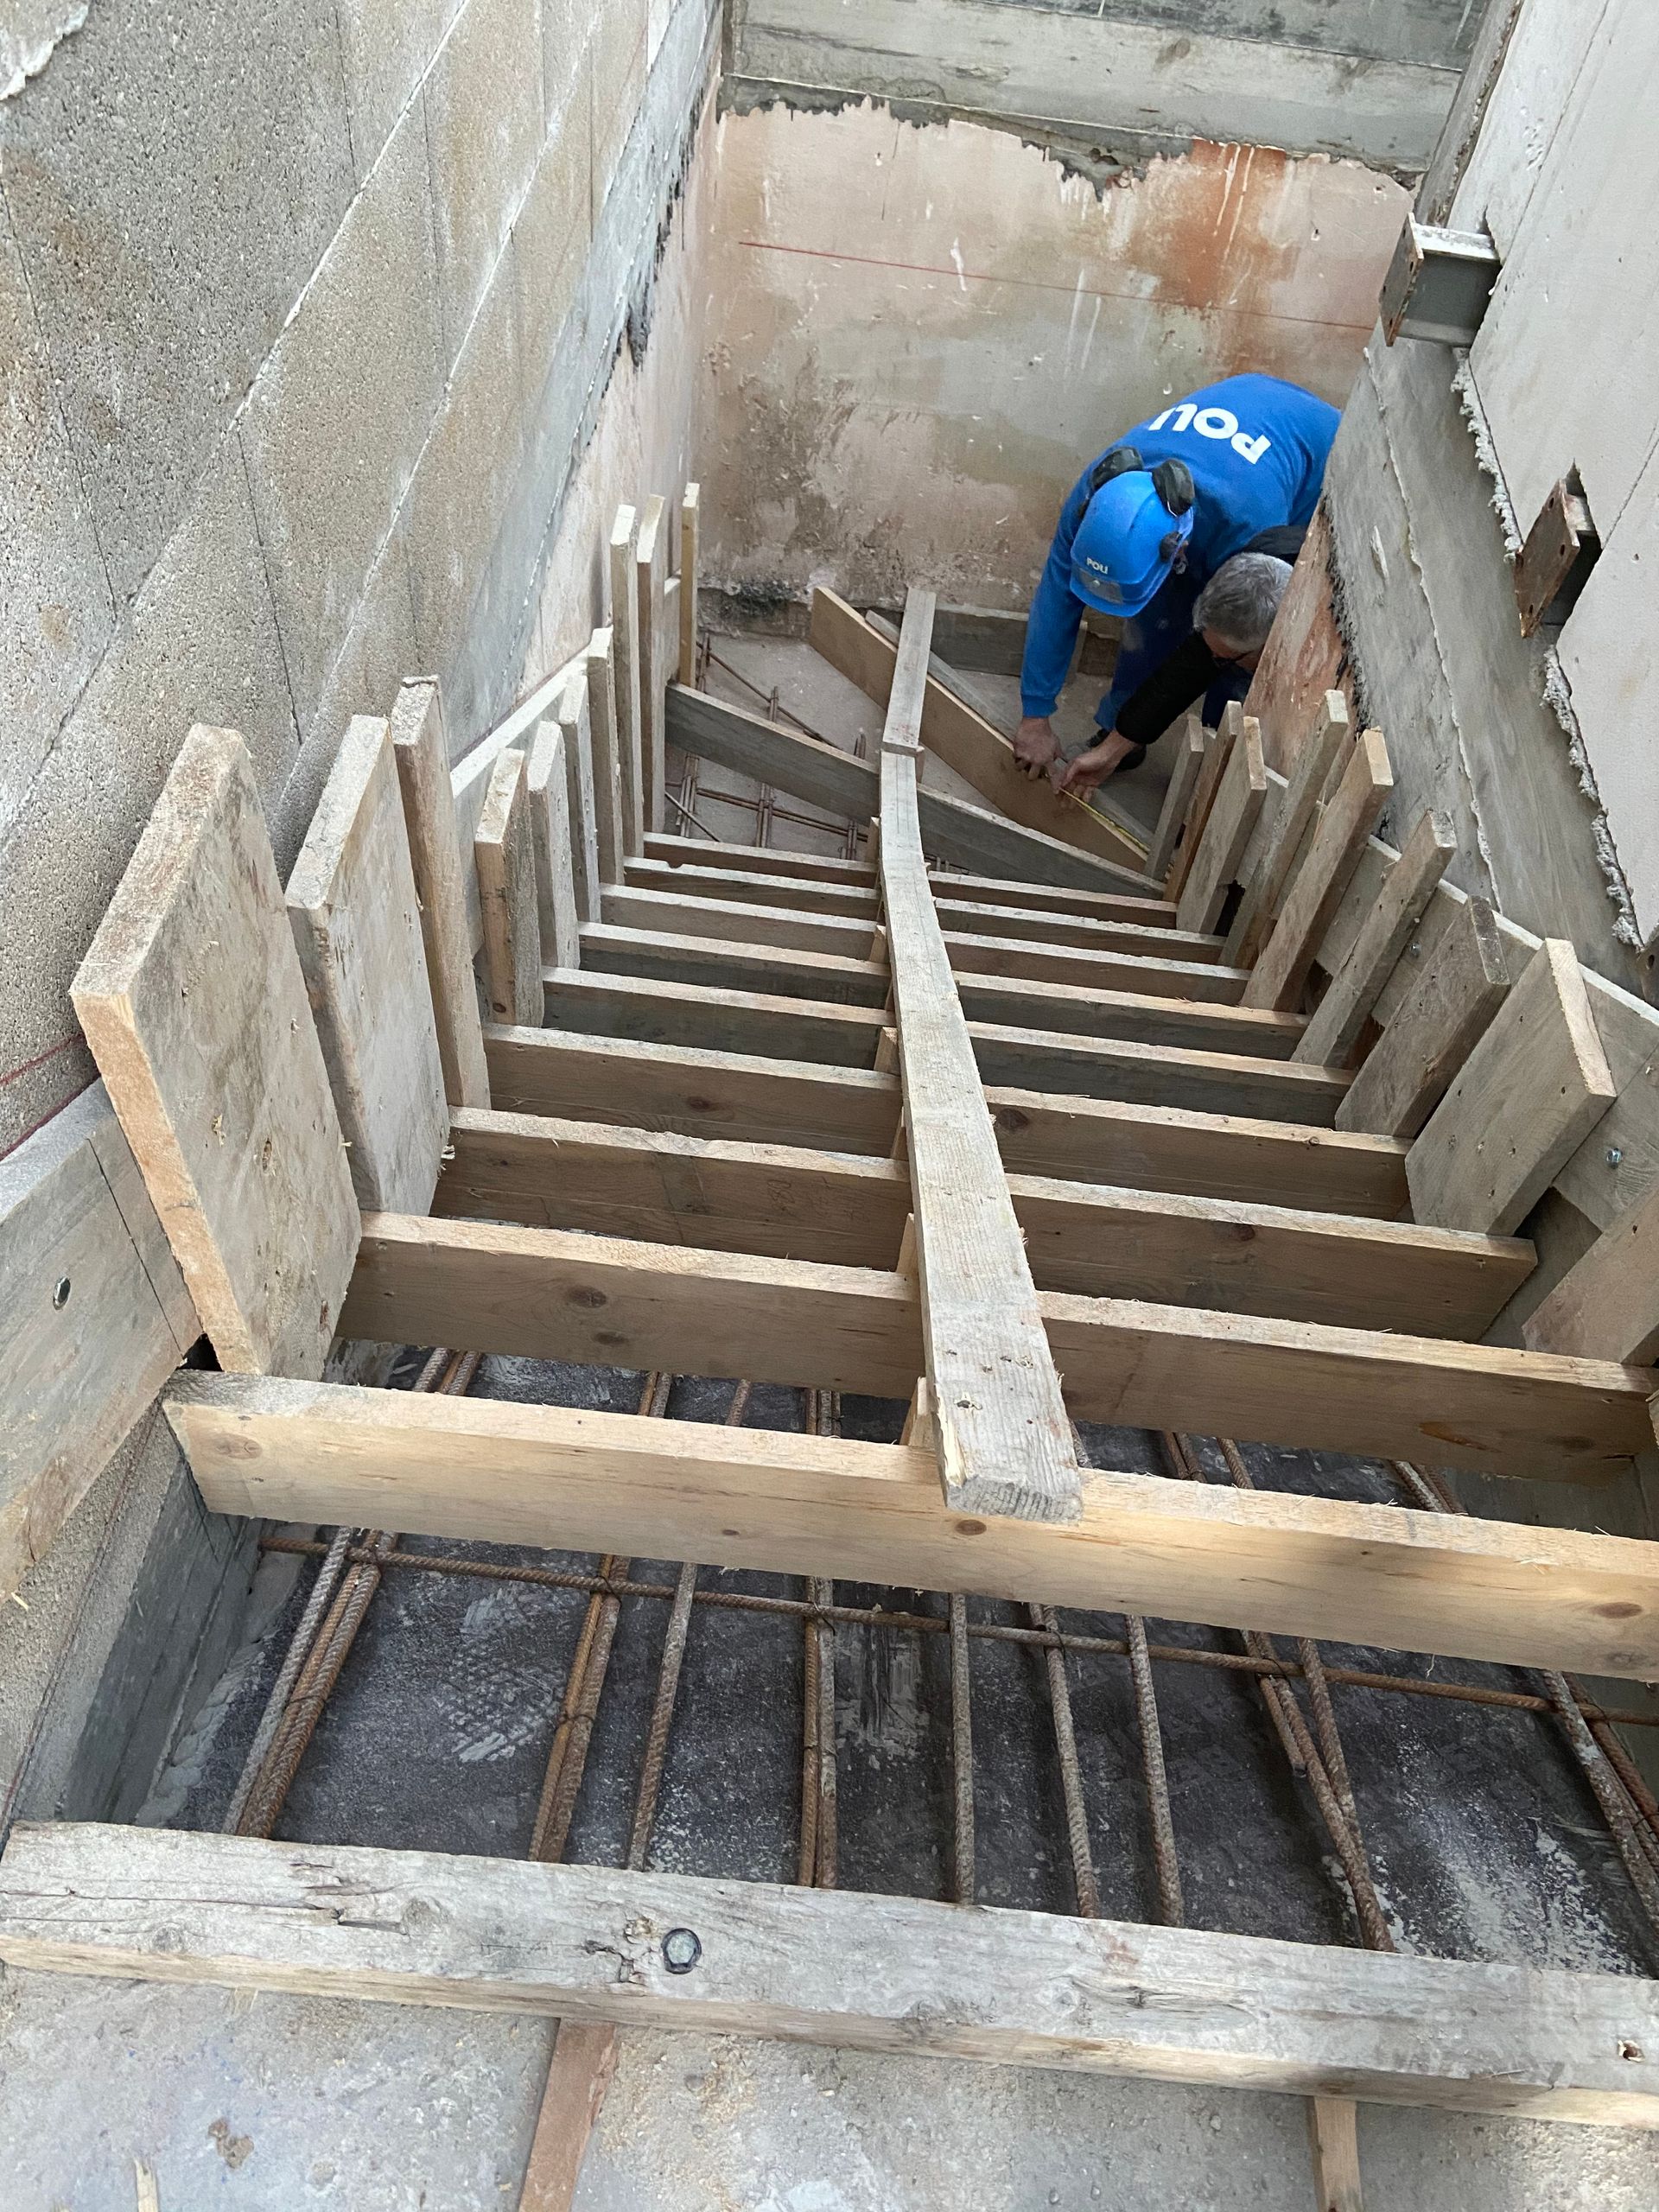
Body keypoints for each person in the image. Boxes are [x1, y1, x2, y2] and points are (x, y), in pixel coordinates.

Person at [1013, 374, 1339, 796]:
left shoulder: (1246, 522)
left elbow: (1208, 650)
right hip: (1248, 433)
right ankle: (1120, 732)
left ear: (1178, 548)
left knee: (1239, 652)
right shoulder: (1096, 499)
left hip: (1314, 462)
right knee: (1153, 616)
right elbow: (1057, 598)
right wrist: (1035, 716)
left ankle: (1212, 771)